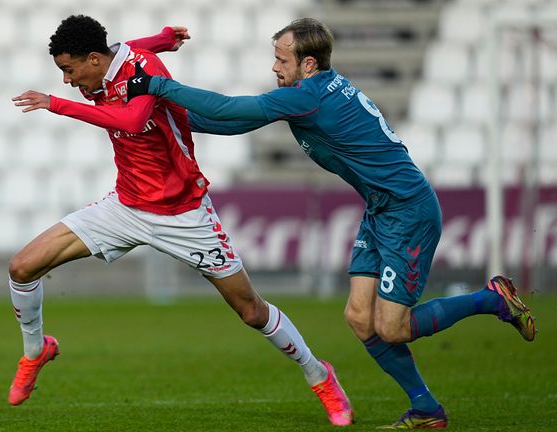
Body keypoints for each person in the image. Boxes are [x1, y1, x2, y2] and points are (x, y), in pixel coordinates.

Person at [126, 17, 537, 429]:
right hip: (381, 208)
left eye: (281, 59)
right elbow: (233, 122)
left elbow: (231, 109)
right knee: (360, 318)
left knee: (393, 329)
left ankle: (491, 299)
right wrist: (169, 116)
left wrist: (159, 87)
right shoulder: (311, 92)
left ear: (308, 64)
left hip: (408, 212)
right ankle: (426, 409)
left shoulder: (309, 96)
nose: (274, 67)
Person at [5, 15, 353, 426]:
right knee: (22, 267)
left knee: (251, 312)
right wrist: (163, 38)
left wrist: (57, 105)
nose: (67, 81)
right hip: (126, 205)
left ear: (94, 60)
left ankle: (319, 374)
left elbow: (133, 120)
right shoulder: (111, 60)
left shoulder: (144, 72)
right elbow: (127, 47)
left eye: (69, 70)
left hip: (183, 213)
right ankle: (36, 351)